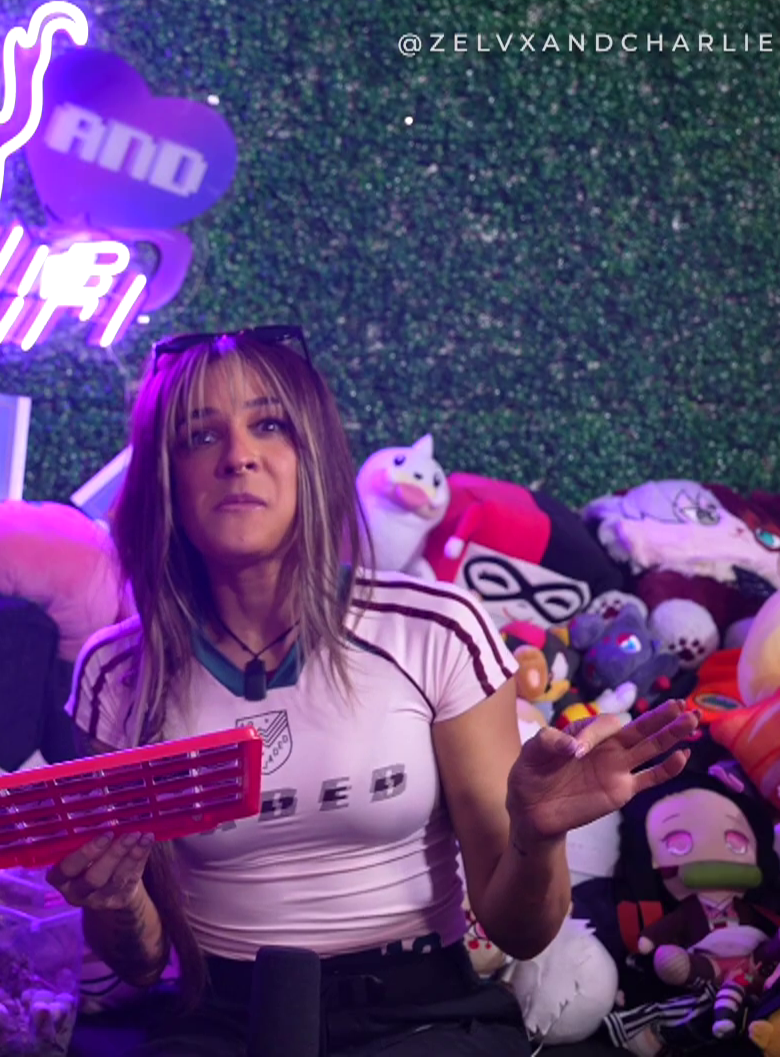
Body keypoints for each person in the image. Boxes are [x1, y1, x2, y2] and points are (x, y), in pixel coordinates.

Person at [50, 326, 699, 1057]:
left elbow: (518, 931)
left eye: (270, 425)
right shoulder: (117, 676)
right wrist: (115, 898)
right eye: (200, 436)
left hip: (419, 1012)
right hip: (220, 1016)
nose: (238, 456)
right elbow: (142, 964)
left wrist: (538, 834)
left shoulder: (438, 629)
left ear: (315, 456)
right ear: (165, 478)